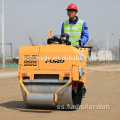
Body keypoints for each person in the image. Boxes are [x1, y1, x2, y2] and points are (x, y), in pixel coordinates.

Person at [61, 3, 89, 97]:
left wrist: (80, 44)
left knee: (80, 70)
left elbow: (86, 36)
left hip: (78, 50)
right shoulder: (64, 23)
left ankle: (82, 88)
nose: (70, 12)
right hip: (67, 51)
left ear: (76, 12)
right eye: (68, 11)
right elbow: (62, 37)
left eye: (72, 11)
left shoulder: (82, 23)